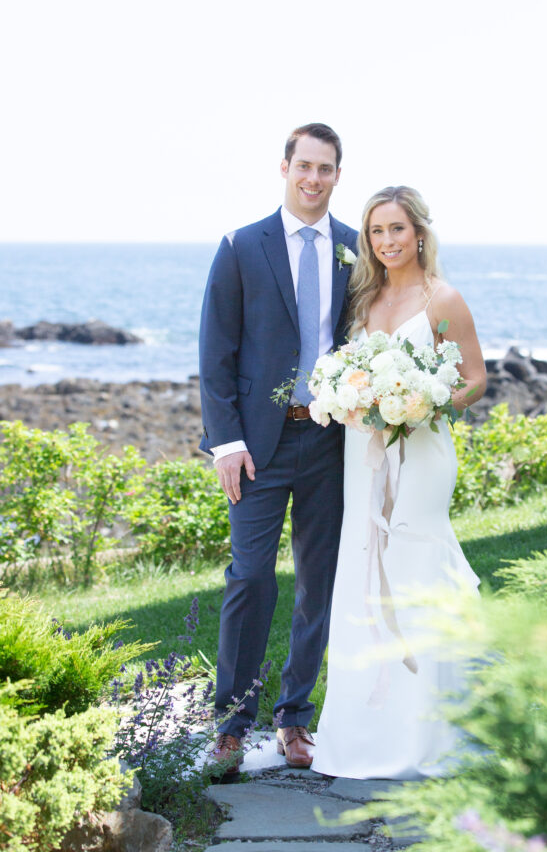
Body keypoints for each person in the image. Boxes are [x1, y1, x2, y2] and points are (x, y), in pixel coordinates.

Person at [312, 185, 486, 780]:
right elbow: (348, 373)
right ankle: (364, 732)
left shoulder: (443, 298)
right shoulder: (363, 300)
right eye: (376, 232)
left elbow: (475, 379)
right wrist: (354, 400)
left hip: (424, 452)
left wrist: (420, 407)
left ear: (418, 233)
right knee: (361, 565)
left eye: (396, 229)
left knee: (415, 560)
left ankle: (429, 730)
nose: (386, 242)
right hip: (364, 457)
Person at [198, 123, 357, 774]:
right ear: (284, 168)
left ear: (337, 175)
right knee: (250, 577)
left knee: (319, 583)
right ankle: (232, 723)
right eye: (304, 167)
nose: (313, 179)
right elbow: (216, 353)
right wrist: (226, 442)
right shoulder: (241, 246)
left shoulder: (354, 248)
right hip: (257, 446)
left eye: (325, 169)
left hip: (329, 440)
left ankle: (294, 718)